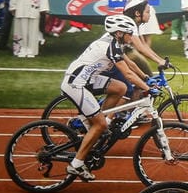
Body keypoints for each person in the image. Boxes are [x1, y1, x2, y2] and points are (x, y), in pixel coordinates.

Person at [61, 14, 154, 183]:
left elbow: (131, 66)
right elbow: (127, 73)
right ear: (118, 33)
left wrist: (146, 78)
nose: (131, 36)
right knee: (100, 124)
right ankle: (77, 163)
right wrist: (148, 89)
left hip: (87, 80)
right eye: (128, 32)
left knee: (120, 88)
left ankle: (97, 122)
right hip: (76, 84)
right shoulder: (111, 47)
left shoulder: (114, 42)